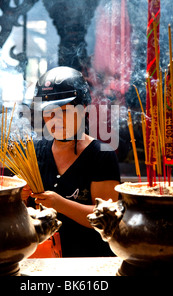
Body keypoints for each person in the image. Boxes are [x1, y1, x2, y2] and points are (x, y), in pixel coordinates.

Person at [22, 66, 121, 257]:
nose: (55, 119)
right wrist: (18, 196)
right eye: (48, 112)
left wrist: (60, 204)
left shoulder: (101, 155)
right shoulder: (34, 151)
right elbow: (20, 211)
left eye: (64, 111)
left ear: (83, 109)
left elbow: (108, 218)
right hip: (42, 262)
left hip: (90, 261)